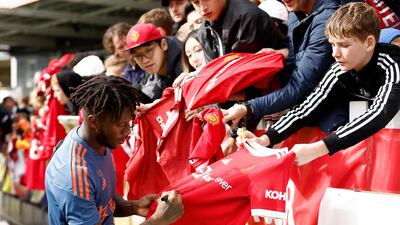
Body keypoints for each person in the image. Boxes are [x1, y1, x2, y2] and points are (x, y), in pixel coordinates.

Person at [238, 2, 400, 166]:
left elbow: (379, 113)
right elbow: (308, 107)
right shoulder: (340, 68)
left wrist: (318, 148)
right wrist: (265, 139)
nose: (335, 53)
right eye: (332, 44)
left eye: (344, 45)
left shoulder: (392, 66)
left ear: (370, 43)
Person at [45, 76, 184, 225]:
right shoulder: (74, 177)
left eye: (129, 123)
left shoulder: (98, 140)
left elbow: (101, 200)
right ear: (94, 121)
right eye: (121, 125)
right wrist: (159, 220)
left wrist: (133, 206)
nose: (127, 131)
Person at [223, 0, 341, 132]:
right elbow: (291, 71)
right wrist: (283, 54)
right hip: (305, 114)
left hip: (335, 119)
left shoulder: (327, 18)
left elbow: (300, 86)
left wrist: (249, 107)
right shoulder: (295, 12)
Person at [191, 0, 286, 62]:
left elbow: (245, 70)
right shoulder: (204, 30)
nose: (203, 8)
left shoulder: (248, 17)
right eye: (196, 2)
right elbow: (213, 71)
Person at [125, 23, 182, 100]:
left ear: (163, 44)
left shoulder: (186, 62)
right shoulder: (148, 76)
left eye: (149, 51)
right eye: (138, 56)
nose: (145, 60)